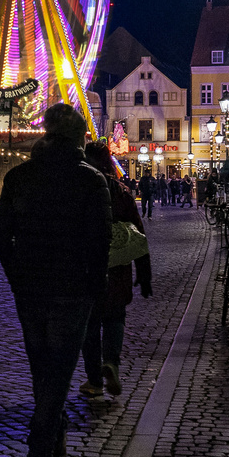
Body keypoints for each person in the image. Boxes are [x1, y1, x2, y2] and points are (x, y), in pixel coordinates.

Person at [0, 102, 112, 457]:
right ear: (78, 138)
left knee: (41, 367)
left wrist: (15, 273)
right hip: (72, 287)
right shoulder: (92, 181)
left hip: (30, 287)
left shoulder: (19, 177)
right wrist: (96, 284)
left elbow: (1, 236)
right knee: (59, 370)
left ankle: (56, 440)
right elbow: (100, 241)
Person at [79, 142, 153, 400]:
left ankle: (94, 379)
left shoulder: (80, 188)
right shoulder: (121, 191)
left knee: (89, 323)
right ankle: (112, 362)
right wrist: (145, 275)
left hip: (87, 264)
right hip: (118, 264)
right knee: (115, 316)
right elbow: (138, 232)